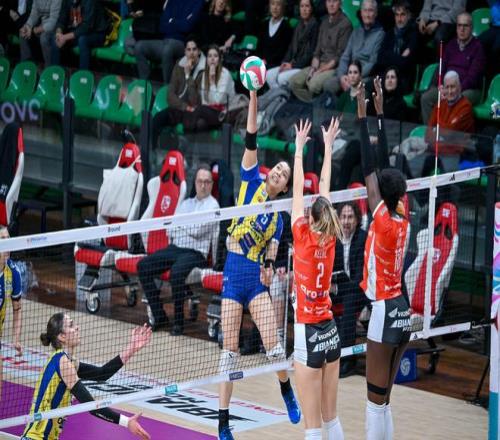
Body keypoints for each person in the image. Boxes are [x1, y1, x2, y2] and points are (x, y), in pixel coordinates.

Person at [218, 90, 300, 440]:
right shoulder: (251, 180)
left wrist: (268, 266)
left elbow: (272, 252)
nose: (278, 172)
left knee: (274, 346)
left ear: (285, 186)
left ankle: (286, 391)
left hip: (254, 280)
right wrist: (253, 94)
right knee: (229, 354)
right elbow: (251, 135)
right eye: (278, 168)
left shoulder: (279, 220)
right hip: (232, 274)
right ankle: (223, 421)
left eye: (284, 174)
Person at [356, 80, 411, 440]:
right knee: (385, 399)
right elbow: (385, 171)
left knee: (374, 402)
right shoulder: (402, 215)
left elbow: (370, 171)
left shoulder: (383, 221)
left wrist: (362, 119)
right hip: (402, 309)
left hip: (383, 309)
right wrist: (379, 115)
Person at [291, 117, 344, 440]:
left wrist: (299, 149)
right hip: (330, 331)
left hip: (307, 330)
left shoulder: (302, 236)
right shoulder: (332, 236)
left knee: (312, 426)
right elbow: (324, 190)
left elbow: (299, 188)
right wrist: (328, 146)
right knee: (331, 418)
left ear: (311, 220)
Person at [22, 313, 151, 440]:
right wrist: (127, 422)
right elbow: (93, 407)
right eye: (71, 325)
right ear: (62, 336)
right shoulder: (63, 363)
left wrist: (132, 348)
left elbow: (102, 373)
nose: (77, 327)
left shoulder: (67, 361)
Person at [138, 164, 220, 335]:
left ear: (212, 184)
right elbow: (171, 228)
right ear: (195, 182)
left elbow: (198, 231)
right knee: (143, 266)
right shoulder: (186, 204)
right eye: (200, 181)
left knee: (176, 273)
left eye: (207, 182)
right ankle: (160, 316)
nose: (203, 185)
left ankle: (178, 323)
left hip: (196, 253)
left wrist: (182, 224)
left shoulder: (213, 206)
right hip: (175, 247)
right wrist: (185, 225)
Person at [420, 12, 486, 125]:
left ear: (471, 28)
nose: (462, 29)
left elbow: (472, 78)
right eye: (459, 25)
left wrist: (455, 89)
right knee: (426, 98)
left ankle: (451, 134)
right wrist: (442, 87)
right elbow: (442, 69)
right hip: (448, 87)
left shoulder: (478, 47)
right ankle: (431, 132)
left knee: (457, 99)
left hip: (469, 89)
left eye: (465, 26)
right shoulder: (451, 45)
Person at [288, 0, 352, 103]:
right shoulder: (324, 22)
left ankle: (317, 106)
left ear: (340, 3)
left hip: (333, 67)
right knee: (293, 82)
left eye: (334, 1)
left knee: (313, 85)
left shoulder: (346, 24)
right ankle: (313, 103)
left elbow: (339, 56)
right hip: (319, 65)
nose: (331, 4)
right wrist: (313, 69)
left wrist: (320, 70)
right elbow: (317, 51)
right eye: (329, 1)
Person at [332, 202, 368, 377]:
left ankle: (348, 359)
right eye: (343, 217)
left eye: (350, 217)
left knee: (349, 302)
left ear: (357, 219)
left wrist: (337, 288)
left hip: (361, 291)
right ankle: (325, 351)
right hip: (340, 289)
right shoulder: (335, 238)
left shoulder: (363, 239)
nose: (346, 221)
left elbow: (360, 279)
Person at [151, 37, 206, 148]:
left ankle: (186, 157)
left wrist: (188, 76)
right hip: (180, 107)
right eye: (188, 50)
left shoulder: (204, 70)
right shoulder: (179, 65)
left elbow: (195, 100)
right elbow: (170, 95)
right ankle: (152, 151)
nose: (191, 53)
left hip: (194, 111)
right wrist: (184, 107)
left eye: (194, 49)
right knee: (157, 118)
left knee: (190, 124)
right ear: (185, 51)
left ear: (199, 51)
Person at [323, 0, 385, 96]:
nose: (367, 14)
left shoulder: (380, 34)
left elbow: (372, 62)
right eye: (365, 10)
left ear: (376, 13)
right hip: (349, 72)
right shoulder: (356, 31)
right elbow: (345, 57)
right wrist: (342, 76)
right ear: (361, 13)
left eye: (370, 10)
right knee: (328, 85)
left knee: (359, 89)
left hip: (365, 75)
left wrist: (354, 76)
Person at [134, 0, 204, 83]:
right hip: (165, 41)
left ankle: (168, 86)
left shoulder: (198, 2)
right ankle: (145, 84)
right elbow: (162, 26)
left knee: (168, 49)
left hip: (183, 43)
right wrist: (181, 22)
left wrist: (171, 21)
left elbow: (187, 27)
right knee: (139, 46)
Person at [266, 0, 319, 89]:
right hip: (292, 62)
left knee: (281, 78)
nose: (304, 9)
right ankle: (279, 95)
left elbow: (310, 54)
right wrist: (284, 62)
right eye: (302, 6)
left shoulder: (315, 25)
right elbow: (291, 47)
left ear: (311, 9)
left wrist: (292, 66)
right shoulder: (298, 25)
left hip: (303, 66)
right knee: (269, 75)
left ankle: (279, 95)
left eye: (307, 6)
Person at [373, 0, 418, 94]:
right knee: (370, 86)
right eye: (397, 15)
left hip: (403, 79)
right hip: (386, 76)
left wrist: (389, 56)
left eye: (402, 15)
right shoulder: (389, 34)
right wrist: (399, 58)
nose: (399, 18)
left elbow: (405, 63)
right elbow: (380, 58)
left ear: (409, 16)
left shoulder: (414, 35)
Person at [51, 0, 109, 69]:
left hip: (96, 33)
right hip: (77, 31)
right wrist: (59, 33)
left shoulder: (90, 2)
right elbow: (61, 20)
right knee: (56, 39)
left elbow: (86, 27)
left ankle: (83, 74)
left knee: (83, 40)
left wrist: (65, 37)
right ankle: (55, 72)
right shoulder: (66, 1)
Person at [0, 227, 23, 401]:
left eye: (8, 238)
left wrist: (15, 338)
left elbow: (17, 309)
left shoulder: (13, 272)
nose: (8, 243)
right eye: (3, 239)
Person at [198, 45, 236, 124]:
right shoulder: (205, 74)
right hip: (208, 110)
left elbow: (218, 101)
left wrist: (212, 81)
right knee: (200, 124)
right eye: (209, 56)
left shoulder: (225, 74)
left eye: (215, 56)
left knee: (198, 110)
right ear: (206, 59)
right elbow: (204, 100)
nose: (212, 59)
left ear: (220, 59)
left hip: (223, 113)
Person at [19, 0, 62, 65]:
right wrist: (27, 26)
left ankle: (48, 66)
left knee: (44, 38)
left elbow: (53, 22)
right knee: (23, 32)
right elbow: (34, 15)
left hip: (55, 27)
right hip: (42, 25)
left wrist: (33, 30)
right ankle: (26, 64)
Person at [257, 0, 293, 69]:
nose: (275, 7)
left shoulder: (286, 27)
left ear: (283, 7)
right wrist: (260, 59)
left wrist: (267, 61)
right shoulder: (264, 24)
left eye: (278, 4)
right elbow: (259, 47)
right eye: (273, 4)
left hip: (275, 65)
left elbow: (282, 51)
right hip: (261, 62)